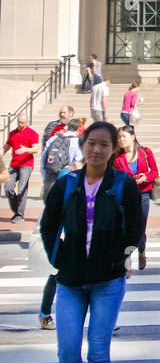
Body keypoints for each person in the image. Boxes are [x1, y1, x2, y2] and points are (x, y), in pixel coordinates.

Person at [39, 120, 143, 363]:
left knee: (98, 353)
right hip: (69, 280)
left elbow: (136, 226)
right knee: (68, 353)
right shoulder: (68, 183)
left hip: (107, 280)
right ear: (83, 146)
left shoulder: (123, 184)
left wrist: (123, 257)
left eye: (104, 144)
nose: (97, 149)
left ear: (114, 150)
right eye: (91, 143)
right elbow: (47, 223)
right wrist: (57, 259)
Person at [38, 117, 84, 330]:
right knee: (56, 275)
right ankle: (45, 312)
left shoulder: (96, 176)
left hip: (83, 236)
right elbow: (54, 213)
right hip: (64, 234)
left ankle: (101, 320)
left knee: (91, 279)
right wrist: (60, 233)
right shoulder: (68, 176)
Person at [113, 126, 159, 270]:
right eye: (119, 137)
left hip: (143, 194)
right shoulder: (116, 156)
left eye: (124, 137)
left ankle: (142, 250)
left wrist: (146, 177)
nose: (121, 140)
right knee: (127, 227)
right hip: (125, 196)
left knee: (140, 228)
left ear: (133, 137)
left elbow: (155, 172)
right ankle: (127, 255)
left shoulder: (145, 152)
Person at [3, 112, 39, 220]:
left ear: (27, 122)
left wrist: (25, 150)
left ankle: (19, 214)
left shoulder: (32, 133)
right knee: (8, 187)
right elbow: (7, 146)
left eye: (22, 122)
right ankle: (16, 207)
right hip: (14, 165)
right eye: (18, 122)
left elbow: (36, 149)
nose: (20, 124)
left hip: (26, 165)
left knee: (22, 189)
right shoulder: (12, 133)